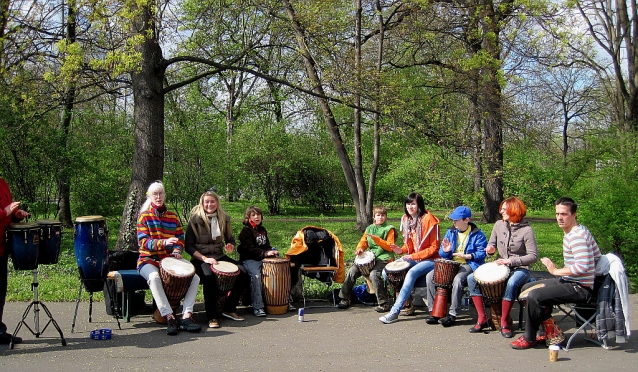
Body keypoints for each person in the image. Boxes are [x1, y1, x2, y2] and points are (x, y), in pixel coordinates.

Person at [510, 197, 601, 349]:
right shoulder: (579, 230)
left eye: (564, 214)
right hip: (570, 281)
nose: (559, 217)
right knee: (527, 289)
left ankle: (530, 337)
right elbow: (597, 255)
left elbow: (582, 266)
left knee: (534, 296)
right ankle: (549, 332)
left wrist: (555, 271)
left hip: (579, 287)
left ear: (574, 215)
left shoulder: (577, 236)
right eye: (557, 213)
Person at [466, 196, 538, 338]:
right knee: (471, 278)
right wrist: (490, 248)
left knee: (511, 282)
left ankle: (504, 322)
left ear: (514, 210)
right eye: (501, 208)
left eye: (505, 209)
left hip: (521, 268)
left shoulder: (527, 230)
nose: (501, 211)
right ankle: (482, 318)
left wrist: (510, 261)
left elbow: (533, 256)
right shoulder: (499, 225)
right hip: (500, 264)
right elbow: (491, 244)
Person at [137, 181, 201, 335]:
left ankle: (187, 315)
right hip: (148, 260)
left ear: (164, 195)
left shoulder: (172, 216)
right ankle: (169, 316)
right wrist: (164, 242)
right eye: (155, 194)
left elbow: (179, 238)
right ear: (150, 197)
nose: (158, 197)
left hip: (170, 260)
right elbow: (143, 242)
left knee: (195, 278)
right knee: (153, 277)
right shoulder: (144, 217)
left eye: (161, 193)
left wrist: (177, 250)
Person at [185, 190, 250, 329]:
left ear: (217, 203)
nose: (209, 204)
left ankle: (229, 307)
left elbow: (230, 239)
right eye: (206, 201)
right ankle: (212, 316)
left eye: (212, 201)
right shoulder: (195, 220)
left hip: (219, 256)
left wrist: (230, 246)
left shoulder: (223, 218)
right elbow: (188, 246)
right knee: (209, 277)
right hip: (201, 258)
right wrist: (204, 258)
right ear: (202, 203)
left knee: (244, 273)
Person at [379, 192, 440, 324]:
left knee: (411, 273)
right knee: (386, 272)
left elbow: (434, 248)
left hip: (431, 259)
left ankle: (394, 312)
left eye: (413, 204)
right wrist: (400, 250)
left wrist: (413, 256)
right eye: (408, 203)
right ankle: (407, 301)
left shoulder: (429, 220)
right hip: (415, 257)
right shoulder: (406, 220)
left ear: (419, 205)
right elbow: (410, 246)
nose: (410, 206)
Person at [424, 206, 487, 327]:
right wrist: (446, 251)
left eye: (456, 220)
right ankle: (433, 311)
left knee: (458, 280)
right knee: (430, 276)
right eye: (453, 219)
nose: (454, 222)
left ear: (466, 220)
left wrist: (468, 256)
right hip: (452, 263)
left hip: (467, 264)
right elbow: (443, 253)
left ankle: (452, 314)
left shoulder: (477, 234)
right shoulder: (451, 231)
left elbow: (482, 253)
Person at [238, 206, 294, 317]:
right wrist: (264, 253)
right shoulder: (246, 231)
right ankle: (258, 307)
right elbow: (248, 249)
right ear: (248, 217)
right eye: (253, 215)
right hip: (249, 259)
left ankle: (285, 301)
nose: (256, 217)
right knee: (256, 277)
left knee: (281, 271)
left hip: (263, 258)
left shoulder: (262, 230)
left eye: (258, 214)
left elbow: (266, 246)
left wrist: (271, 251)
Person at [337, 205, 396, 312]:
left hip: (384, 257)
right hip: (371, 257)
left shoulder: (389, 229)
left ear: (386, 217)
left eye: (383, 215)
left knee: (374, 274)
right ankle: (344, 298)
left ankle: (383, 303)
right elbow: (363, 242)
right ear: (374, 217)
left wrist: (377, 240)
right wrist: (360, 249)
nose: (381, 217)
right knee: (351, 271)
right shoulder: (369, 229)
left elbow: (390, 246)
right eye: (378, 215)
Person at [0, 178, 29, 344]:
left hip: (2, 247)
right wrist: (5, 211)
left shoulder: (3, 183)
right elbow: (4, 211)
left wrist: (16, 215)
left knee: (0, 292)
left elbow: (9, 212)